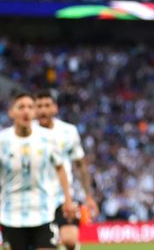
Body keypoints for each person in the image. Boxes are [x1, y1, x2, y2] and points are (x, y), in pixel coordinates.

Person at [0, 93, 77, 250]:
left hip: (43, 213)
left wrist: (68, 199)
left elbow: (60, 168)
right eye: (21, 107)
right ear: (11, 112)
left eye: (30, 107)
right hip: (11, 216)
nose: (26, 111)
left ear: (34, 112)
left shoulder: (48, 139)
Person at [35, 92, 99, 250]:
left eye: (47, 105)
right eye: (39, 106)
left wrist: (88, 196)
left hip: (62, 195)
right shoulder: (28, 132)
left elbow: (80, 165)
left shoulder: (68, 131)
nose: (43, 110)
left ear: (55, 108)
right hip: (36, 197)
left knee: (70, 240)